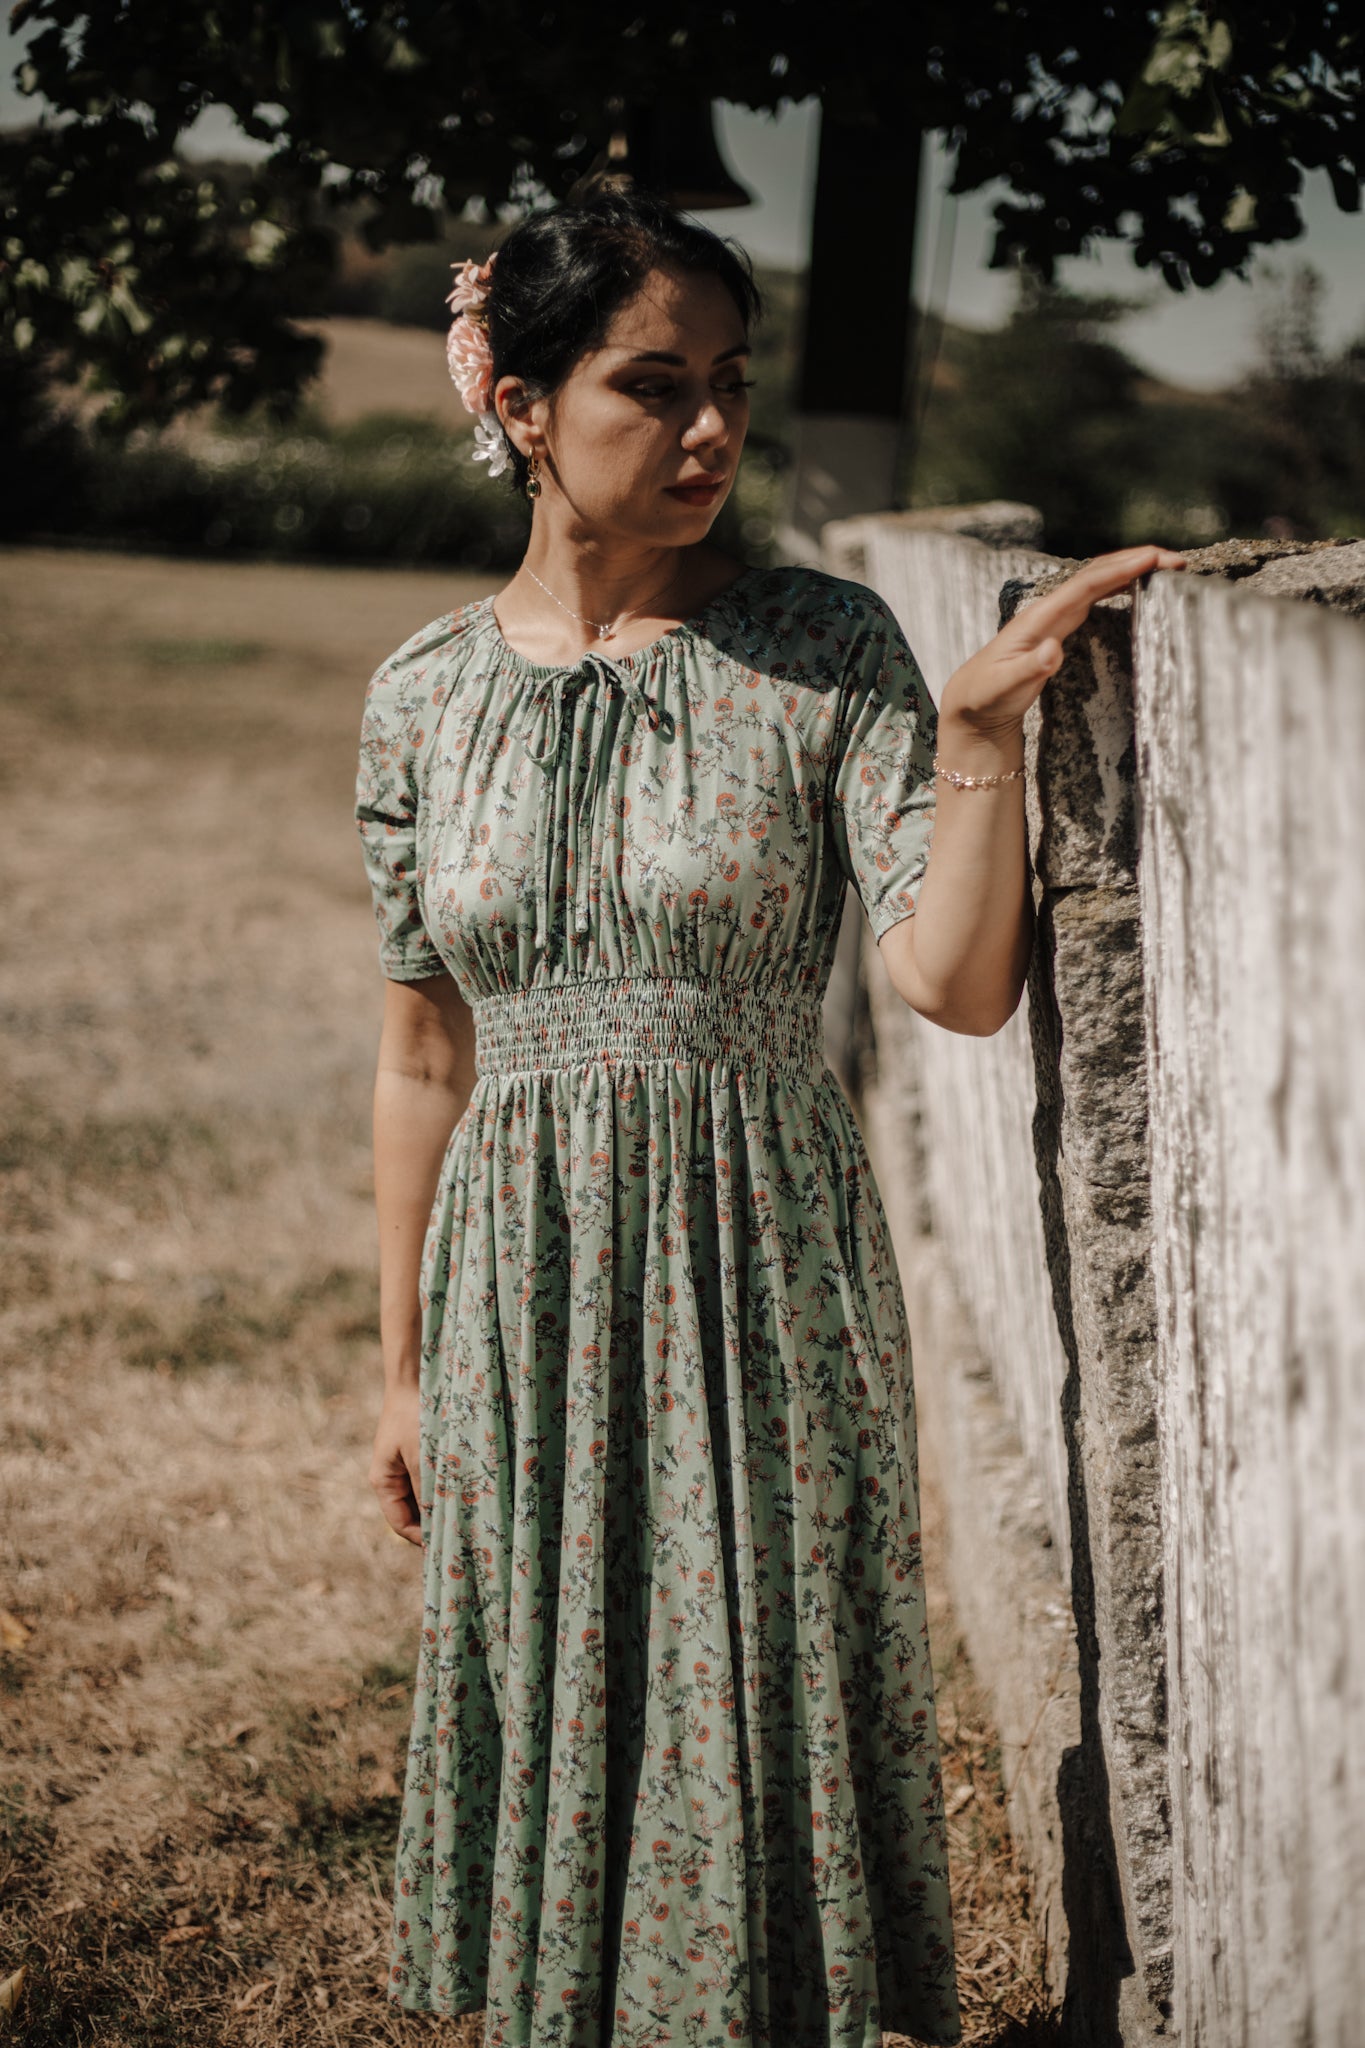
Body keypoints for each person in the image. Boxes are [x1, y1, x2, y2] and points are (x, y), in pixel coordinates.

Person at [354, 181, 1187, 2046]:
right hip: (524, 1273)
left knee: (751, 1679)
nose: (713, 425)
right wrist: (401, 1362)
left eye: (732, 380)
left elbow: (954, 986)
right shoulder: (417, 696)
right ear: (522, 406)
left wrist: (974, 749)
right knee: (558, 1677)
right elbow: (421, 1055)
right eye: (654, 385)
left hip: (755, 1261)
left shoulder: (827, 646)